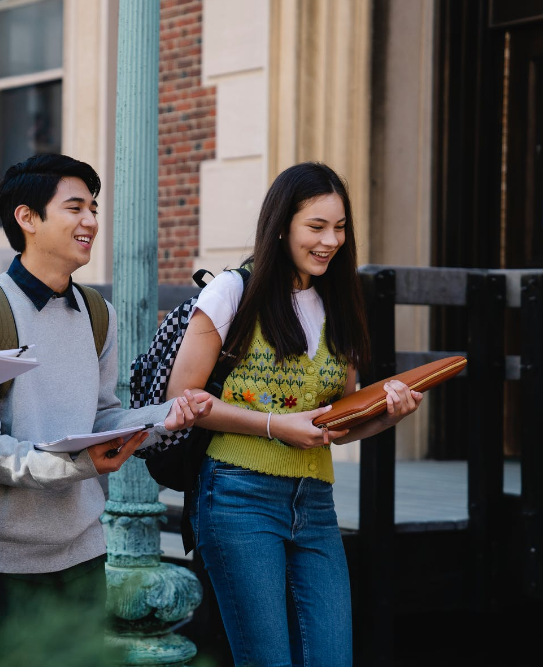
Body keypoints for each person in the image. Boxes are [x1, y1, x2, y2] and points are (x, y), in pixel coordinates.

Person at [0, 153, 212, 637]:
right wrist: (76, 463)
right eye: (75, 208)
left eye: (93, 208)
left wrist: (165, 417)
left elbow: (103, 416)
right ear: (27, 218)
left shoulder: (97, 313)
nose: (90, 220)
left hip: (84, 551)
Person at [166, 161, 424, 667]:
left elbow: (337, 423)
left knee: (332, 657)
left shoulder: (340, 301)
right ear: (282, 225)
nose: (331, 240)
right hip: (238, 498)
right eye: (317, 227)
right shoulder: (232, 292)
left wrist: (389, 413)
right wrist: (272, 424)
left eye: (341, 227)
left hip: (316, 504)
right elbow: (184, 399)